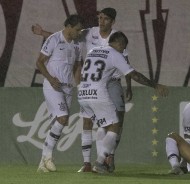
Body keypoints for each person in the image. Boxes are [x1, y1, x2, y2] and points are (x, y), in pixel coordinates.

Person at [32, 8, 132, 173]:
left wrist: (128, 86)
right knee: (74, 120)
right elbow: (63, 36)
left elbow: (124, 61)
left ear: (112, 21)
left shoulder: (117, 38)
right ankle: (83, 162)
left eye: (105, 19)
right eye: (99, 18)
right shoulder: (87, 33)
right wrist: (43, 33)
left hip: (108, 82)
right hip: (80, 84)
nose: (101, 21)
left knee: (112, 122)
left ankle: (107, 157)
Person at [78, 31, 169, 173]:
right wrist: (155, 85)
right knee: (115, 125)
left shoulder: (93, 50)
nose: (123, 51)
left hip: (82, 93)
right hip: (97, 93)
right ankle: (100, 161)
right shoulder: (115, 54)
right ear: (119, 43)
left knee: (103, 125)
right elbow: (134, 75)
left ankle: (100, 160)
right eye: (123, 47)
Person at [36, 14, 84, 172]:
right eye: (77, 29)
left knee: (58, 123)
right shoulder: (54, 39)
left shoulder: (77, 45)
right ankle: (48, 156)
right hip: (53, 85)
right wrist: (50, 79)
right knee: (62, 118)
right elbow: (39, 62)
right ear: (69, 26)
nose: (79, 32)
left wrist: (79, 87)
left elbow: (77, 66)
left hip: (68, 87)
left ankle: (43, 163)